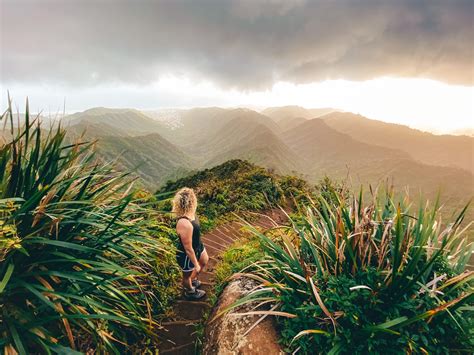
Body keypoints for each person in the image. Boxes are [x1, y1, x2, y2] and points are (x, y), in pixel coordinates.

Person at [172, 187, 208, 300]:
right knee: (186, 276)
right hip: (186, 255)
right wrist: (195, 264)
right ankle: (189, 290)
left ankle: (192, 280)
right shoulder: (183, 222)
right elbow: (188, 248)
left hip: (198, 246)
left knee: (204, 260)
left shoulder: (191, 213)